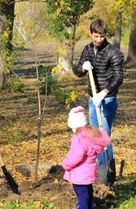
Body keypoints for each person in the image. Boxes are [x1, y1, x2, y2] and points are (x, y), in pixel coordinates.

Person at [76, 18, 124, 165]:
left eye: (102, 36)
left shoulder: (114, 52)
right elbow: (78, 71)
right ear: (90, 34)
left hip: (107, 99)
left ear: (105, 35)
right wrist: (83, 67)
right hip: (93, 99)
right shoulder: (87, 50)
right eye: (96, 36)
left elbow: (118, 76)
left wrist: (104, 92)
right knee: (94, 135)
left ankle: (107, 173)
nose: (99, 39)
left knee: (104, 135)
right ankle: (99, 167)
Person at [62, 106, 111, 209]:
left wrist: (66, 164)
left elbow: (75, 156)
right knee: (88, 195)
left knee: (82, 197)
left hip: (79, 175)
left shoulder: (79, 138)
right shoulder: (91, 135)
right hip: (88, 173)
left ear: (74, 126)